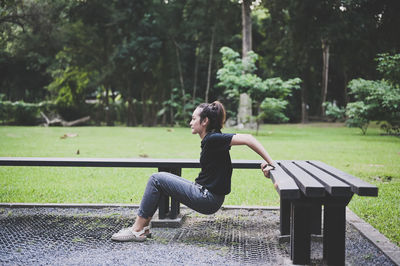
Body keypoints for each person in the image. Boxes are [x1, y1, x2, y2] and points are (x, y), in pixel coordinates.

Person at [111, 101, 275, 242]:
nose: (190, 122)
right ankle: (143, 228)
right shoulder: (212, 139)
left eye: (194, 118)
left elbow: (249, 138)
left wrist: (270, 162)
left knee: (156, 179)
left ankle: (137, 229)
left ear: (204, 121)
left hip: (207, 198)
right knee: (159, 180)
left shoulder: (213, 139)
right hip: (206, 194)